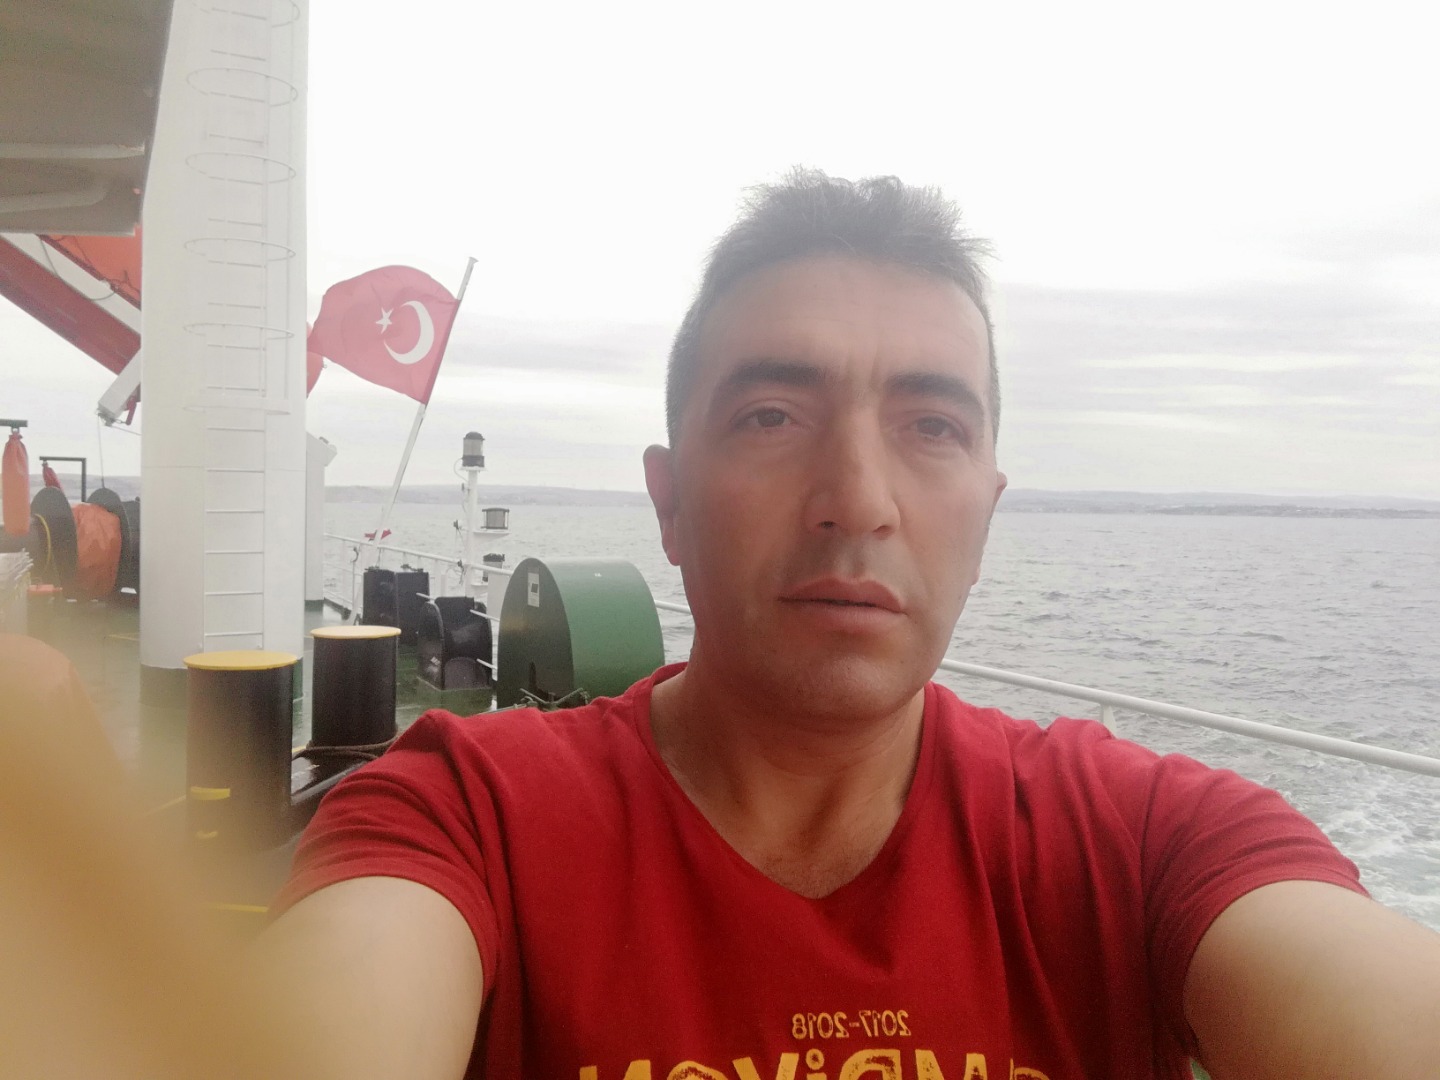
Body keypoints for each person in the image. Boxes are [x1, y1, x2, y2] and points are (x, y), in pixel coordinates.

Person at [261, 170, 1440, 1080]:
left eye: (933, 428)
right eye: (773, 415)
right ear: (669, 503)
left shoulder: (1141, 843)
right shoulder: (467, 821)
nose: (860, 501)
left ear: (988, 506)